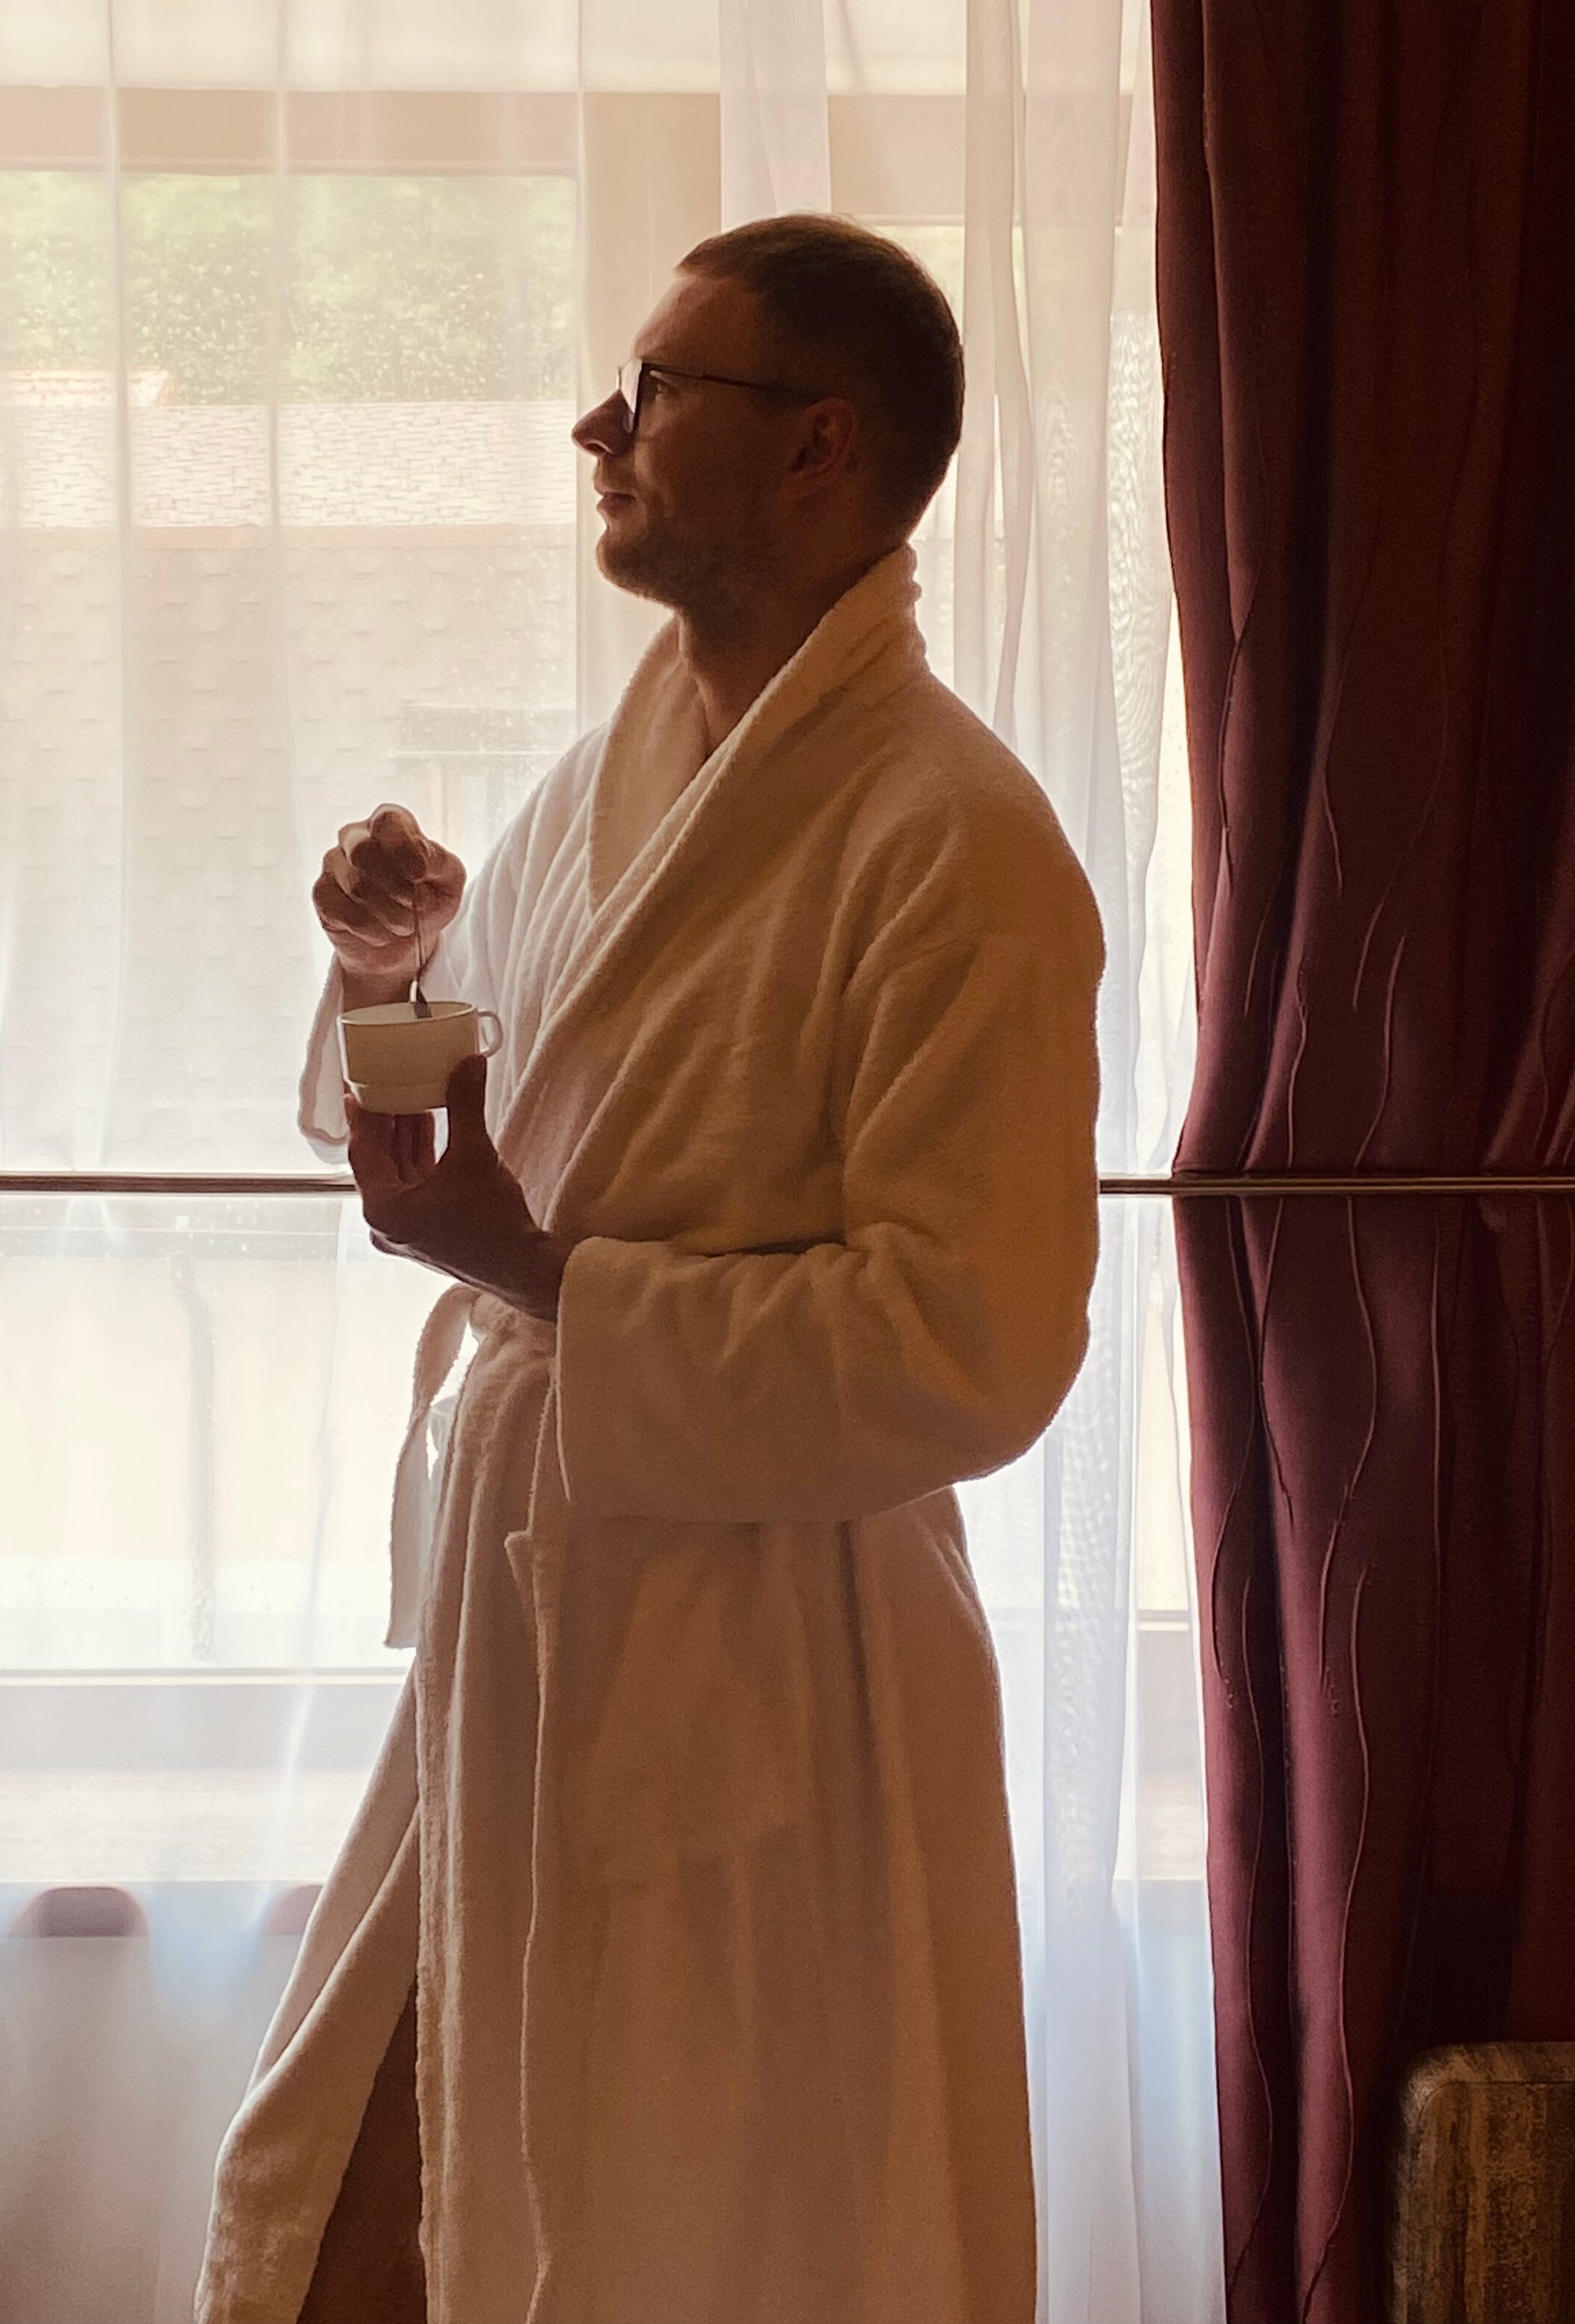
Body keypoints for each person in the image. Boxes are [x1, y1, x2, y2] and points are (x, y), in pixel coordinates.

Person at [199, 213, 1103, 2324]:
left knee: (696, 2229)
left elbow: (971, 1341)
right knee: (364, 2206)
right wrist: (394, 973)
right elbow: (491, 1095)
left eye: (656, 389)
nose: (595, 427)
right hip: (533, 1620)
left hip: (771, 1665)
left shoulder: (956, 838)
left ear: (817, 446)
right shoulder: (614, 779)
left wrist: (548, 1278)